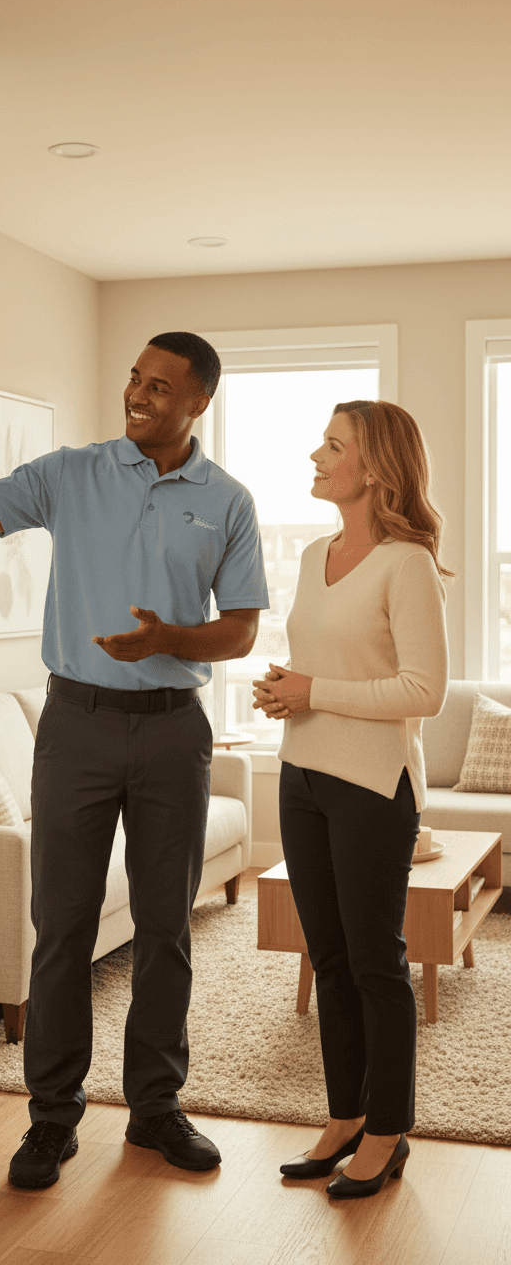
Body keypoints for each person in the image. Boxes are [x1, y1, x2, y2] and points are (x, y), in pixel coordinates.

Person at [0, 327, 269, 1190]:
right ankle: (50, 1120)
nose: (139, 394)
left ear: (200, 400)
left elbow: (241, 626)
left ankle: (156, 1109)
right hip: (77, 726)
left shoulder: (230, 500)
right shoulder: (72, 473)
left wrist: (170, 639)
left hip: (174, 728)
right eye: (135, 379)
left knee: (167, 930)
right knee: (60, 928)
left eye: (161, 387)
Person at [253, 399, 452, 1200]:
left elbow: (425, 691)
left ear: (372, 468)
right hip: (301, 775)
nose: (315, 454)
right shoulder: (312, 555)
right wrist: (289, 694)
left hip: (374, 787)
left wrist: (315, 689)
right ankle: (342, 1117)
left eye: (332, 445)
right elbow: (325, 673)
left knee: (376, 964)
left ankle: (388, 1130)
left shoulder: (406, 563)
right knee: (326, 958)